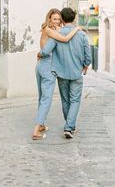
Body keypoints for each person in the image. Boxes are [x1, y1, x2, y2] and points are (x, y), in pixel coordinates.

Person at [40, 7, 92, 139]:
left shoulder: (57, 33)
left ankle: (69, 125)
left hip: (61, 73)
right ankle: (69, 127)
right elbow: (88, 56)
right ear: (74, 18)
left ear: (62, 19)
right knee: (75, 100)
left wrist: (39, 54)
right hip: (76, 72)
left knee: (65, 100)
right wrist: (85, 66)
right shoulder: (81, 34)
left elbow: (46, 51)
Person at [32, 8, 80, 140]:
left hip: (40, 66)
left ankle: (41, 125)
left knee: (42, 97)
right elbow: (65, 39)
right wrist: (75, 29)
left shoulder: (47, 29)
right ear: (49, 19)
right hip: (47, 67)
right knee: (46, 99)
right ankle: (36, 131)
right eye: (54, 19)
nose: (57, 21)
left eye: (59, 19)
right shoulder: (50, 31)